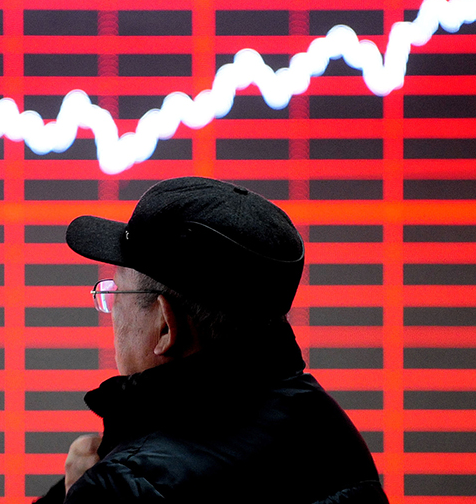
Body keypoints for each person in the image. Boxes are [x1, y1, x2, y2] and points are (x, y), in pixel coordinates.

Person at [35, 176, 389, 503]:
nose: (110, 308)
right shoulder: (334, 434)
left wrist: (78, 496)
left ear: (165, 327)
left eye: (116, 293)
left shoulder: (125, 485)